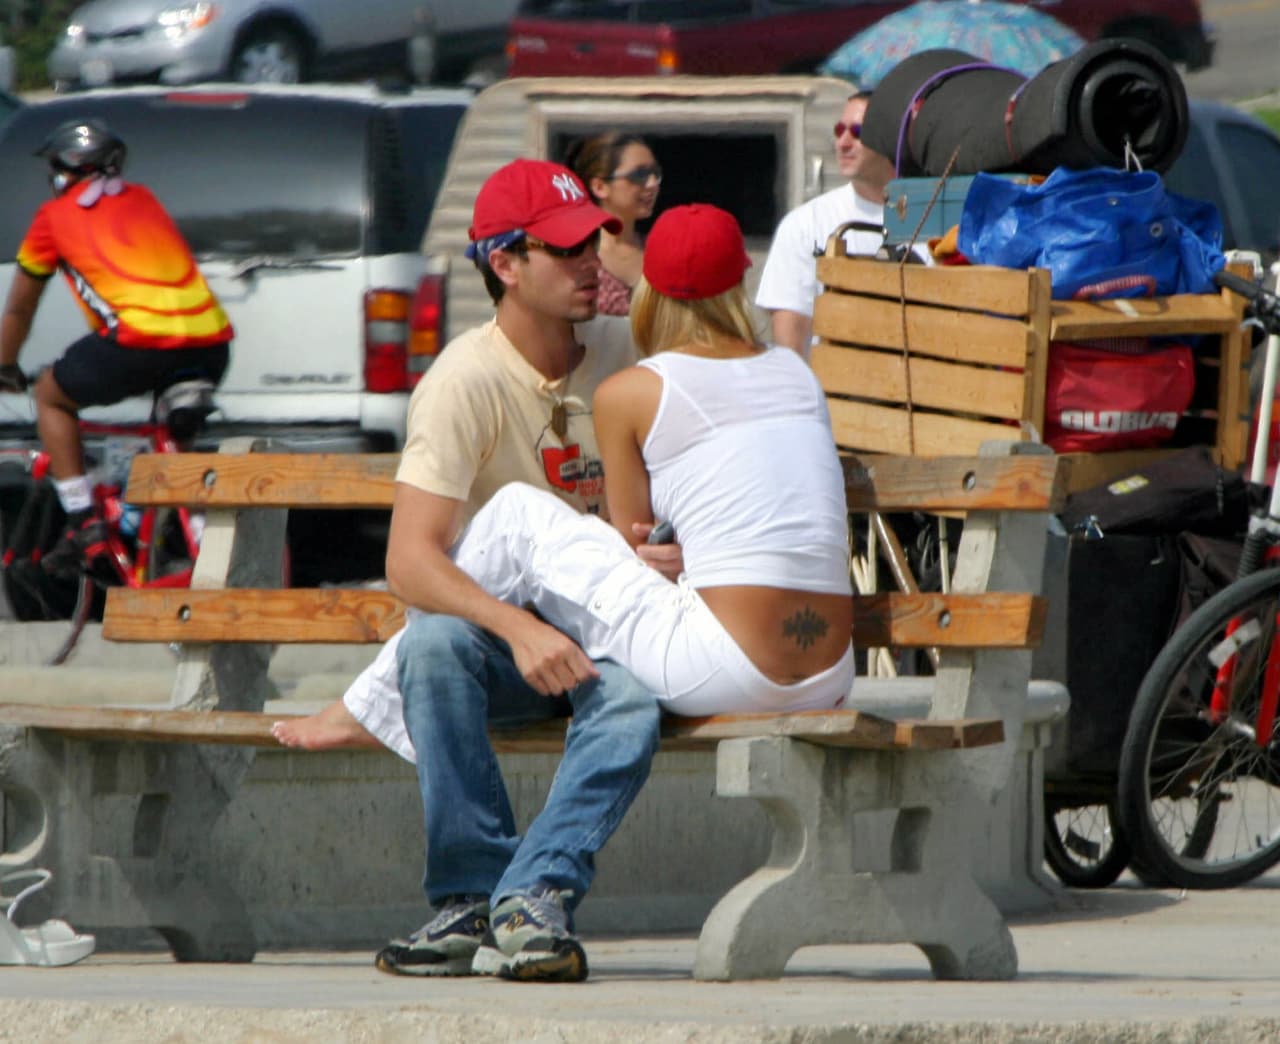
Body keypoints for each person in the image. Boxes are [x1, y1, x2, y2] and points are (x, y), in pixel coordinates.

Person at [290, 158, 665, 985]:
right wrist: (518, 628)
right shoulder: (463, 379)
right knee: (433, 648)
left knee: (631, 700)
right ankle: (466, 899)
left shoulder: (627, 350)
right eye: (565, 251)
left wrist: (672, 542)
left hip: (613, 629)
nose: (589, 265)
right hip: (511, 641)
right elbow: (409, 562)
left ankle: (532, 895)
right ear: (505, 264)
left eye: (592, 244)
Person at [445, 201, 855, 721]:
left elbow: (632, 546)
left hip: (722, 670)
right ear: (739, 282)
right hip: (830, 676)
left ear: (649, 289)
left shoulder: (631, 392)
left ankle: (395, 684)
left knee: (516, 517)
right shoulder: (798, 375)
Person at [0, 118, 233, 577]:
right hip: (210, 343)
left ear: (63, 171)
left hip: (138, 343)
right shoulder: (143, 199)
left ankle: (82, 519)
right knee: (170, 441)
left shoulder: (52, 219)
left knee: (51, 395)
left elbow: (20, 311)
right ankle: (169, 529)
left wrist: (5, 364)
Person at [754, 91, 896, 356]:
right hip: (833, 392)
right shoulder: (805, 224)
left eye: (857, 131)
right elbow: (790, 346)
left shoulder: (930, 218)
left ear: (891, 137)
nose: (843, 142)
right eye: (839, 130)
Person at [564, 131, 661, 317]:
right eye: (639, 175)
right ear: (599, 187)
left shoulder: (662, 252)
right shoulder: (576, 257)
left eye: (655, 174)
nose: (652, 184)